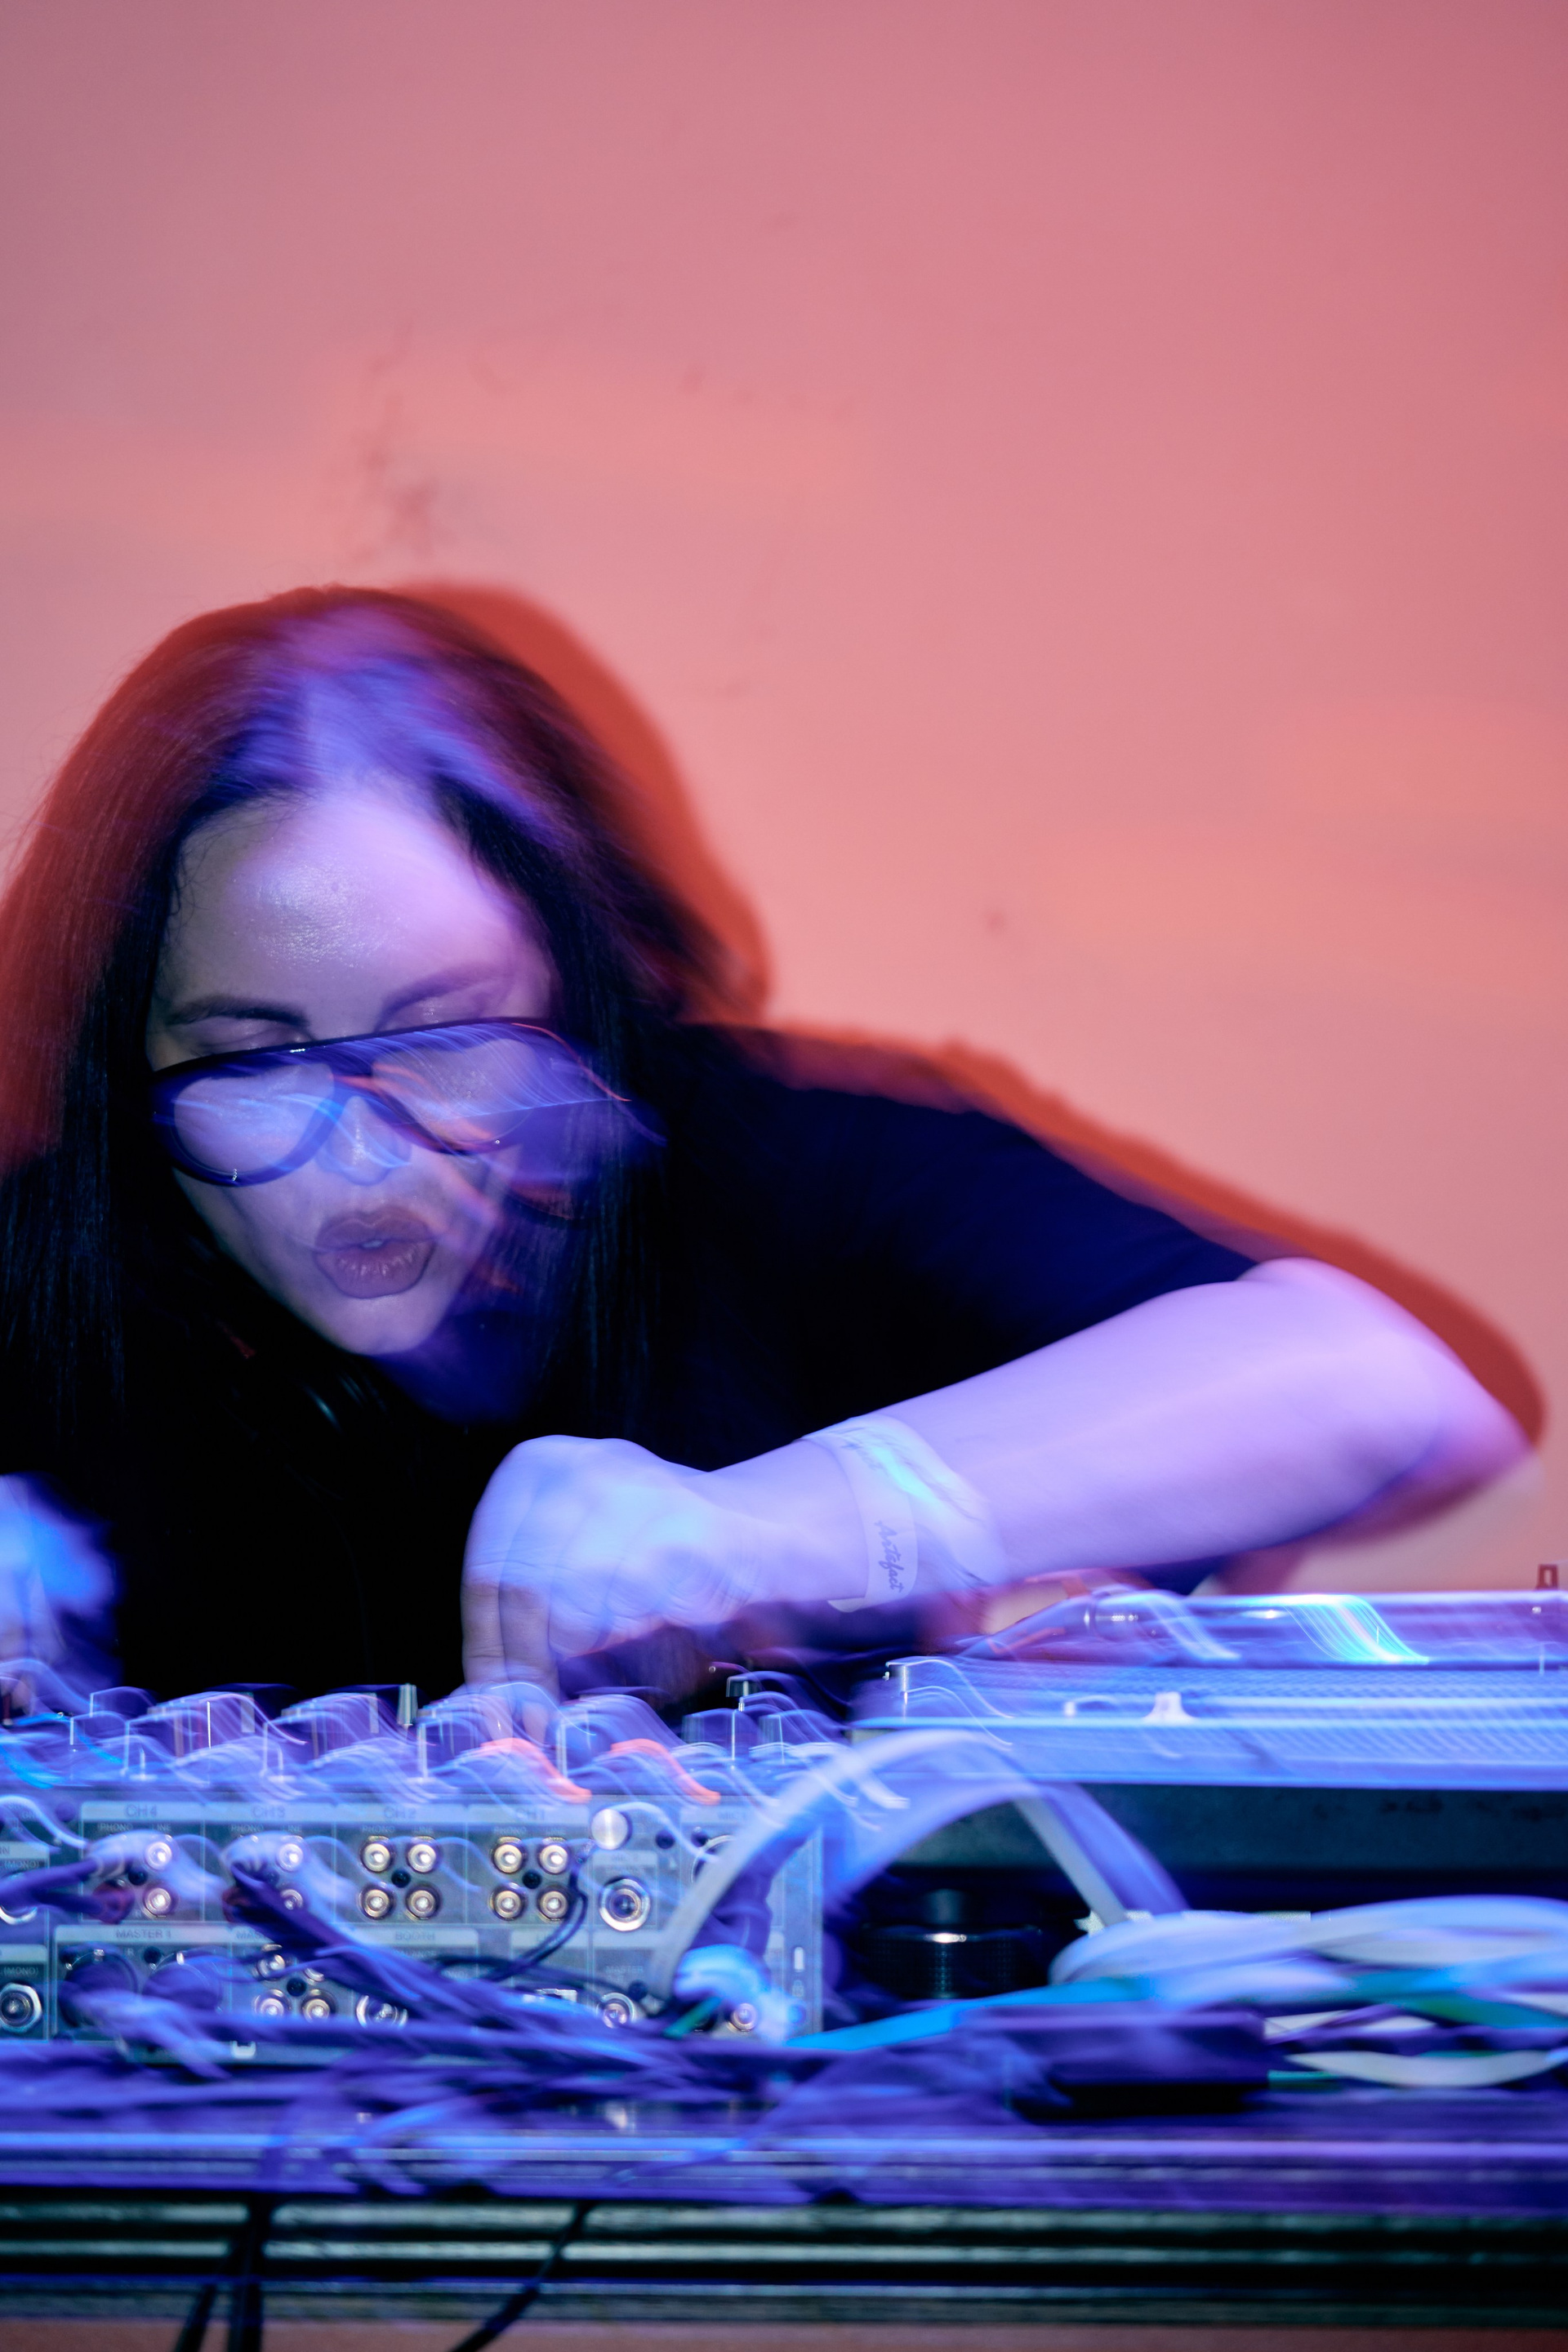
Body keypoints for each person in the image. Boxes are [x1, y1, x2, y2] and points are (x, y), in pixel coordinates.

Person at [0, 589, 1525, 1706]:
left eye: (447, 1031)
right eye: (255, 1058)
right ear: (128, 1053)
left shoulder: (767, 1166)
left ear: (575, 990)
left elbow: (1374, 1388)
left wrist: (770, 1527)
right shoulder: (48, 1260)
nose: (365, 1150)